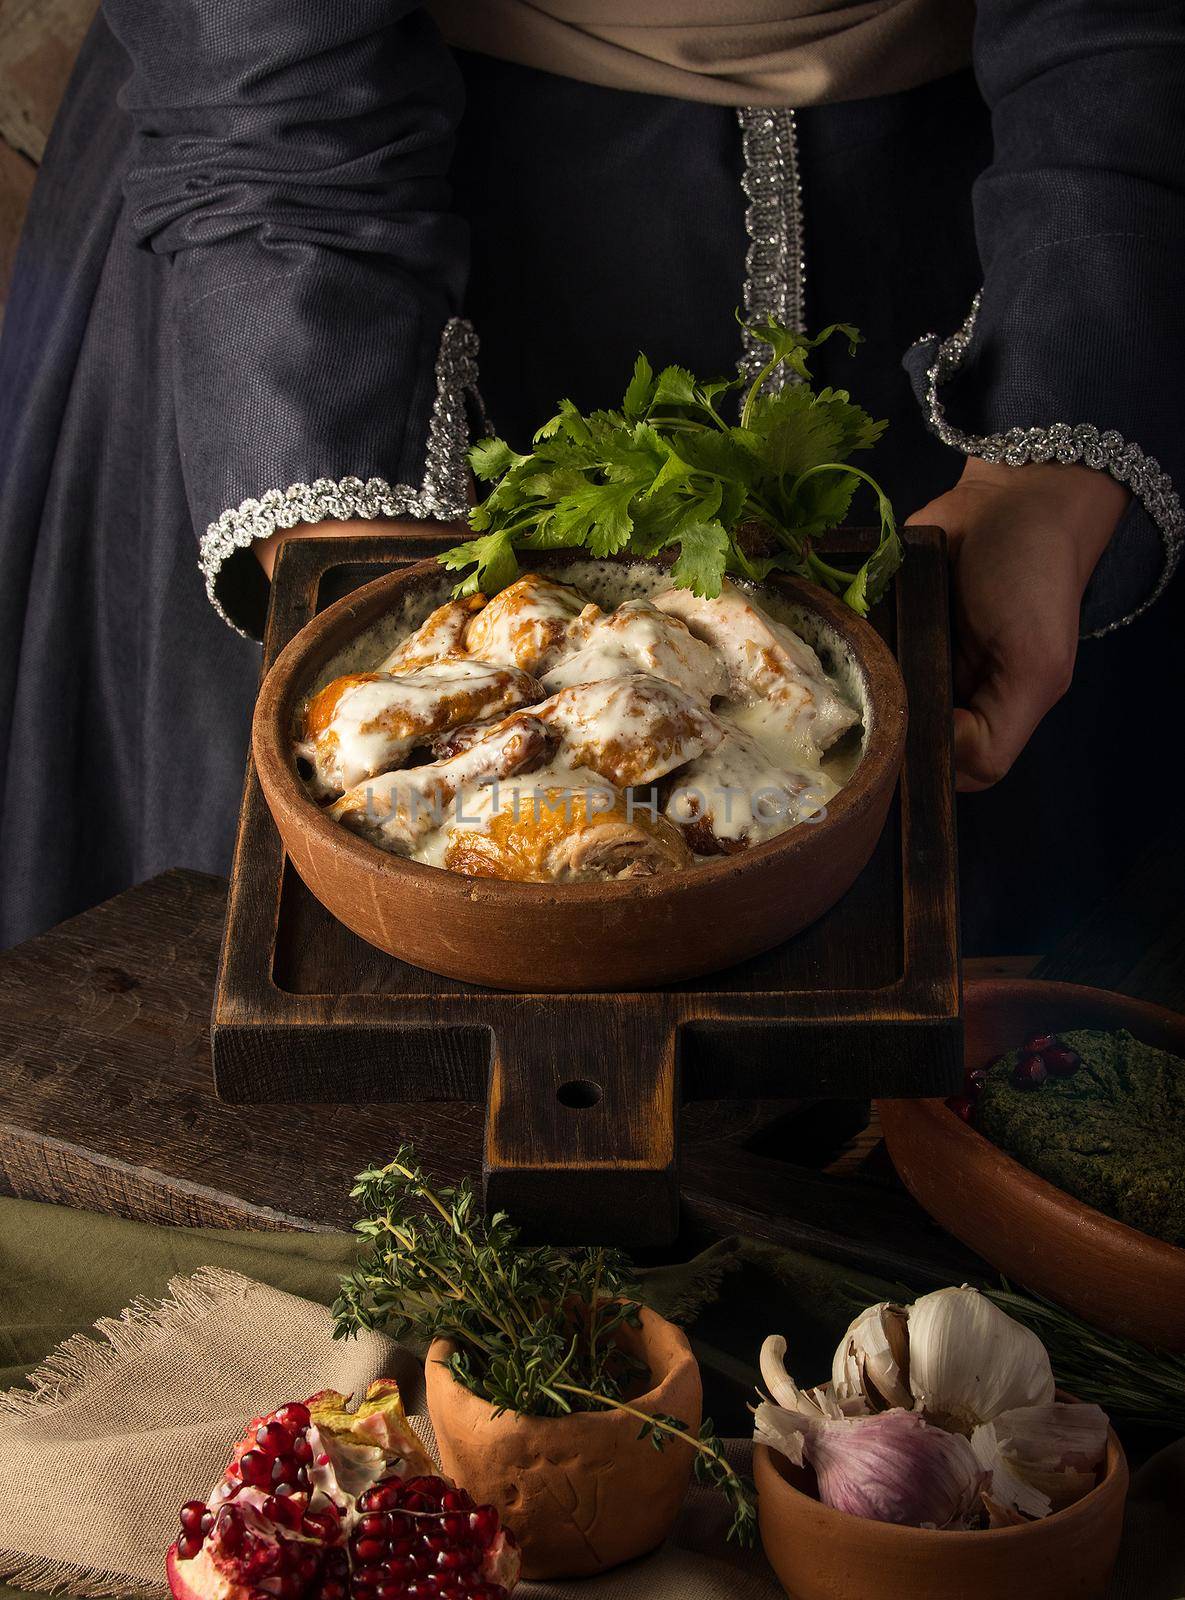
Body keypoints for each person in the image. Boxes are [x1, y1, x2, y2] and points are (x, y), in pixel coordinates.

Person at [0, 0, 1180, 955]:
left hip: (1000, 222)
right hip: (319, 208)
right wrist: (387, 652)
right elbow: (260, 83)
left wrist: (1053, 468)